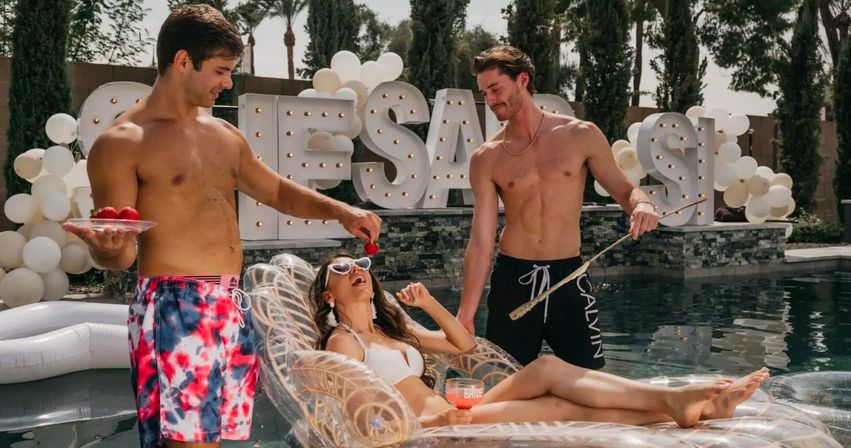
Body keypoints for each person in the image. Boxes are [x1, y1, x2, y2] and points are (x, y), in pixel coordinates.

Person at [62, 5, 381, 448]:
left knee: (213, 439)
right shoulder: (123, 143)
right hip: (174, 305)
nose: (227, 83)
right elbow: (121, 253)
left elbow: (277, 192)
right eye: (220, 71)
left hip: (229, 302)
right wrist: (109, 247)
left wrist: (342, 212)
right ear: (181, 61)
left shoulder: (224, 135)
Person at [313, 253, 769, 428]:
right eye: (341, 269)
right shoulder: (345, 343)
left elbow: (462, 347)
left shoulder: (394, 331)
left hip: (458, 409)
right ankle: (681, 407)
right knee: (560, 408)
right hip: (439, 428)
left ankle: (674, 401)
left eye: (361, 266)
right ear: (328, 294)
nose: (356, 270)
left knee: (547, 368)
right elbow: (363, 415)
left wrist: (429, 304)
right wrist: (428, 427)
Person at [456, 46, 661, 368]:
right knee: (505, 382)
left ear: (522, 79)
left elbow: (624, 190)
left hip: (569, 277)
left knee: (590, 382)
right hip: (514, 280)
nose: (491, 100)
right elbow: (481, 242)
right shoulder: (488, 157)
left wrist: (642, 204)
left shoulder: (580, 135)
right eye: (484, 93)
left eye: (495, 89)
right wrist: (465, 314)